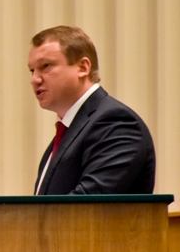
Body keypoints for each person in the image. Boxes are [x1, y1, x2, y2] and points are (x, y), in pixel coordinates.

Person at [28, 25, 155, 195]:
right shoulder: (69, 130)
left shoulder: (116, 123)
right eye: (32, 70)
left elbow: (89, 202)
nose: (34, 79)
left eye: (45, 66)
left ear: (83, 67)